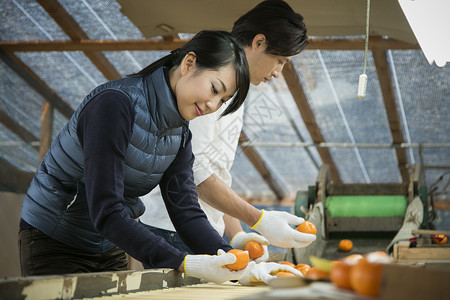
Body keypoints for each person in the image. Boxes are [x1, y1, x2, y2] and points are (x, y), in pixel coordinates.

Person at [18, 30, 254, 284]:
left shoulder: (180, 133)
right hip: (55, 240)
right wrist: (183, 262)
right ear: (189, 64)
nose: (212, 105)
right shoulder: (114, 105)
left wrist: (234, 261)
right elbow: (107, 210)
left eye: (223, 100)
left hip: (109, 245)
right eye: (214, 89)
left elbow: (186, 211)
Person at [140, 0, 316, 270]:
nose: (279, 73)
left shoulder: (236, 90)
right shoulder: (208, 86)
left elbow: (214, 171)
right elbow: (193, 170)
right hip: (171, 229)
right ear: (258, 42)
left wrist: (236, 233)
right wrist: (258, 218)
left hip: (199, 229)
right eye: (280, 60)